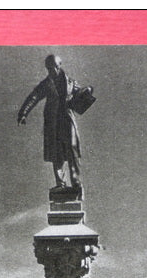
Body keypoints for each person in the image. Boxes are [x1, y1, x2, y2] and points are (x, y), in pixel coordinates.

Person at [18, 55, 91, 192]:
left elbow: (80, 95)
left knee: (72, 149)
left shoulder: (71, 82)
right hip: (53, 121)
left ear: (59, 66)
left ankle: (76, 183)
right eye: (49, 68)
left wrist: (87, 91)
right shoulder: (46, 84)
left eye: (53, 68)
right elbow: (33, 97)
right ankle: (60, 183)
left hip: (67, 119)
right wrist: (23, 113)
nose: (51, 71)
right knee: (56, 153)